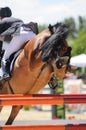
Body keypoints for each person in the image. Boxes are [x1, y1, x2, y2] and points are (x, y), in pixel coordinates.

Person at [0, 7, 38, 80]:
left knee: (5, 58)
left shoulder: (2, 21)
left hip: (20, 35)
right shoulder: (18, 20)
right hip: (32, 34)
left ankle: (6, 74)